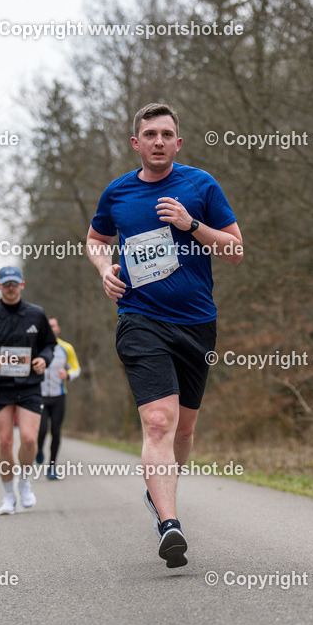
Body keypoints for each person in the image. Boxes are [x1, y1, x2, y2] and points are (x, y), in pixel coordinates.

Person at [85, 102, 243, 567]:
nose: (158, 141)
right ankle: (170, 524)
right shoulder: (117, 194)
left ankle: (159, 493)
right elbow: (96, 240)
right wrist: (103, 269)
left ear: (178, 142)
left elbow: (235, 250)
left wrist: (191, 225)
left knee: (185, 429)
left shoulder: (200, 185)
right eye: (149, 134)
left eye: (166, 134)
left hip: (197, 322)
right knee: (158, 421)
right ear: (135, 143)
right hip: (140, 318)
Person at [0, 266, 57, 515]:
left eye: (15, 283)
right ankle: (7, 496)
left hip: (29, 387)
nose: (11, 288)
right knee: (4, 442)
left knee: (28, 438)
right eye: (6, 284)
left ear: (22, 285)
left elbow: (49, 345)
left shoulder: (36, 314)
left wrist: (44, 360)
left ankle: (24, 482)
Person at [36, 317, 81, 478]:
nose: (51, 328)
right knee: (41, 431)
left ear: (58, 328)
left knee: (56, 431)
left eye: (53, 325)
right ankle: (39, 448)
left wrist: (68, 375)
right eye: (48, 326)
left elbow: (76, 368)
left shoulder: (66, 348)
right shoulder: (37, 346)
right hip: (40, 396)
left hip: (59, 396)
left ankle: (52, 467)